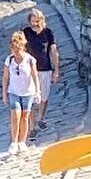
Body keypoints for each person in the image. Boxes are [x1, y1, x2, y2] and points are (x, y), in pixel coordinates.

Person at [1, 30, 41, 156]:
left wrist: (37, 91)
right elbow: (6, 77)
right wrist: (4, 93)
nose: (15, 53)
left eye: (17, 50)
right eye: (13, 50)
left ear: (22, 47)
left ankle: (22, 142)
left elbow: (35, 76)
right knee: (15, 115)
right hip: (14, 91)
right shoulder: (9, 60)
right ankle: (13, 142)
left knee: (25, 116)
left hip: (28, 92)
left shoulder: (30, 60)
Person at [24, 7, 61, 135]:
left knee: (44, 97)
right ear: (29, 21)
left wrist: (56, 70)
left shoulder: (48, 33)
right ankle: (32, 126)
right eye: (33, 21)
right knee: (30, 98)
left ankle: (41, 118)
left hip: (45, 69)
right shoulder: (26, 33)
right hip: (30, 71)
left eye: (38, 21)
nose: (36, 23)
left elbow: (53, 51)